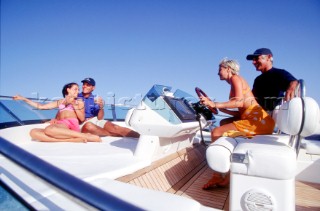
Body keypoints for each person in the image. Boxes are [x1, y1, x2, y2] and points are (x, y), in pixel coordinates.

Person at [200, 58, 275, 190]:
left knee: (216, 132)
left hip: (259, 122)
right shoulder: (235, 82)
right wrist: (221, 109)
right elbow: (241, 112)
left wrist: (215, 104)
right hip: (257, 119)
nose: (218, 73)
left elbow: (239, 102)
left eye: (220, 69)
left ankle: (218, 174)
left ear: (228, 69)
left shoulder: (236, 78)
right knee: (223, 122)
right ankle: (229, 173)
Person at [13, 82, 102, 143]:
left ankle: (85, 136)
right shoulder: (60, 101)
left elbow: (82, 118)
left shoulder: (79, 102)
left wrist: (73, 105)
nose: (77, 91)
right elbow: (41, 106)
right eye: (75, 89)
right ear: (68, 90)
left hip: (70, 124)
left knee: (49, 129)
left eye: (78, 89)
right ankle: (71, 140)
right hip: (61, 124)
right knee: (33, 132)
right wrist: (24, 99)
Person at [246, 48, 298, 112]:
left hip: (273, 115)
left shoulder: (279, 73)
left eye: (256, 58)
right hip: (258, 114)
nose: (253, 62)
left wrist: (291, 87)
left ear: (268, 57)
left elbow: (294, 82)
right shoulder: (257, 80)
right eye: (253, 60)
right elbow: (253, 100)